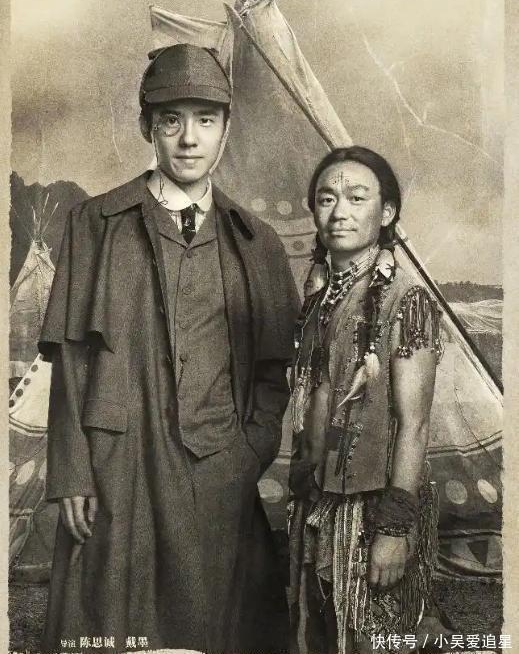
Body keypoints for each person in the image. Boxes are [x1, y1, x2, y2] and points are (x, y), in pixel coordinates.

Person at [39, 43, 300, 654]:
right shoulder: (94, 223)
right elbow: (71, 361)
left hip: (218, 468)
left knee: (220, 628)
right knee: (110, 621)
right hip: (118, 466)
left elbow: (274, 373)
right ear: (146, 128)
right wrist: (73, 471)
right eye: (170, 120)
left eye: (206, 120)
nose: (189, 138)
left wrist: (248, 454)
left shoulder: (257, 242)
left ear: (226, 130)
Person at [288, 146, 443, 654]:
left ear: (387, 212)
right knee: (320, 636)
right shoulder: (320, 297)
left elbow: (415, 425)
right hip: (319, 499)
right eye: (326, 199)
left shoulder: (407, 300)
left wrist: (395, 529)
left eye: (357, 198)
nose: (340, 212)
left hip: (374, 508)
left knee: (374, 640)